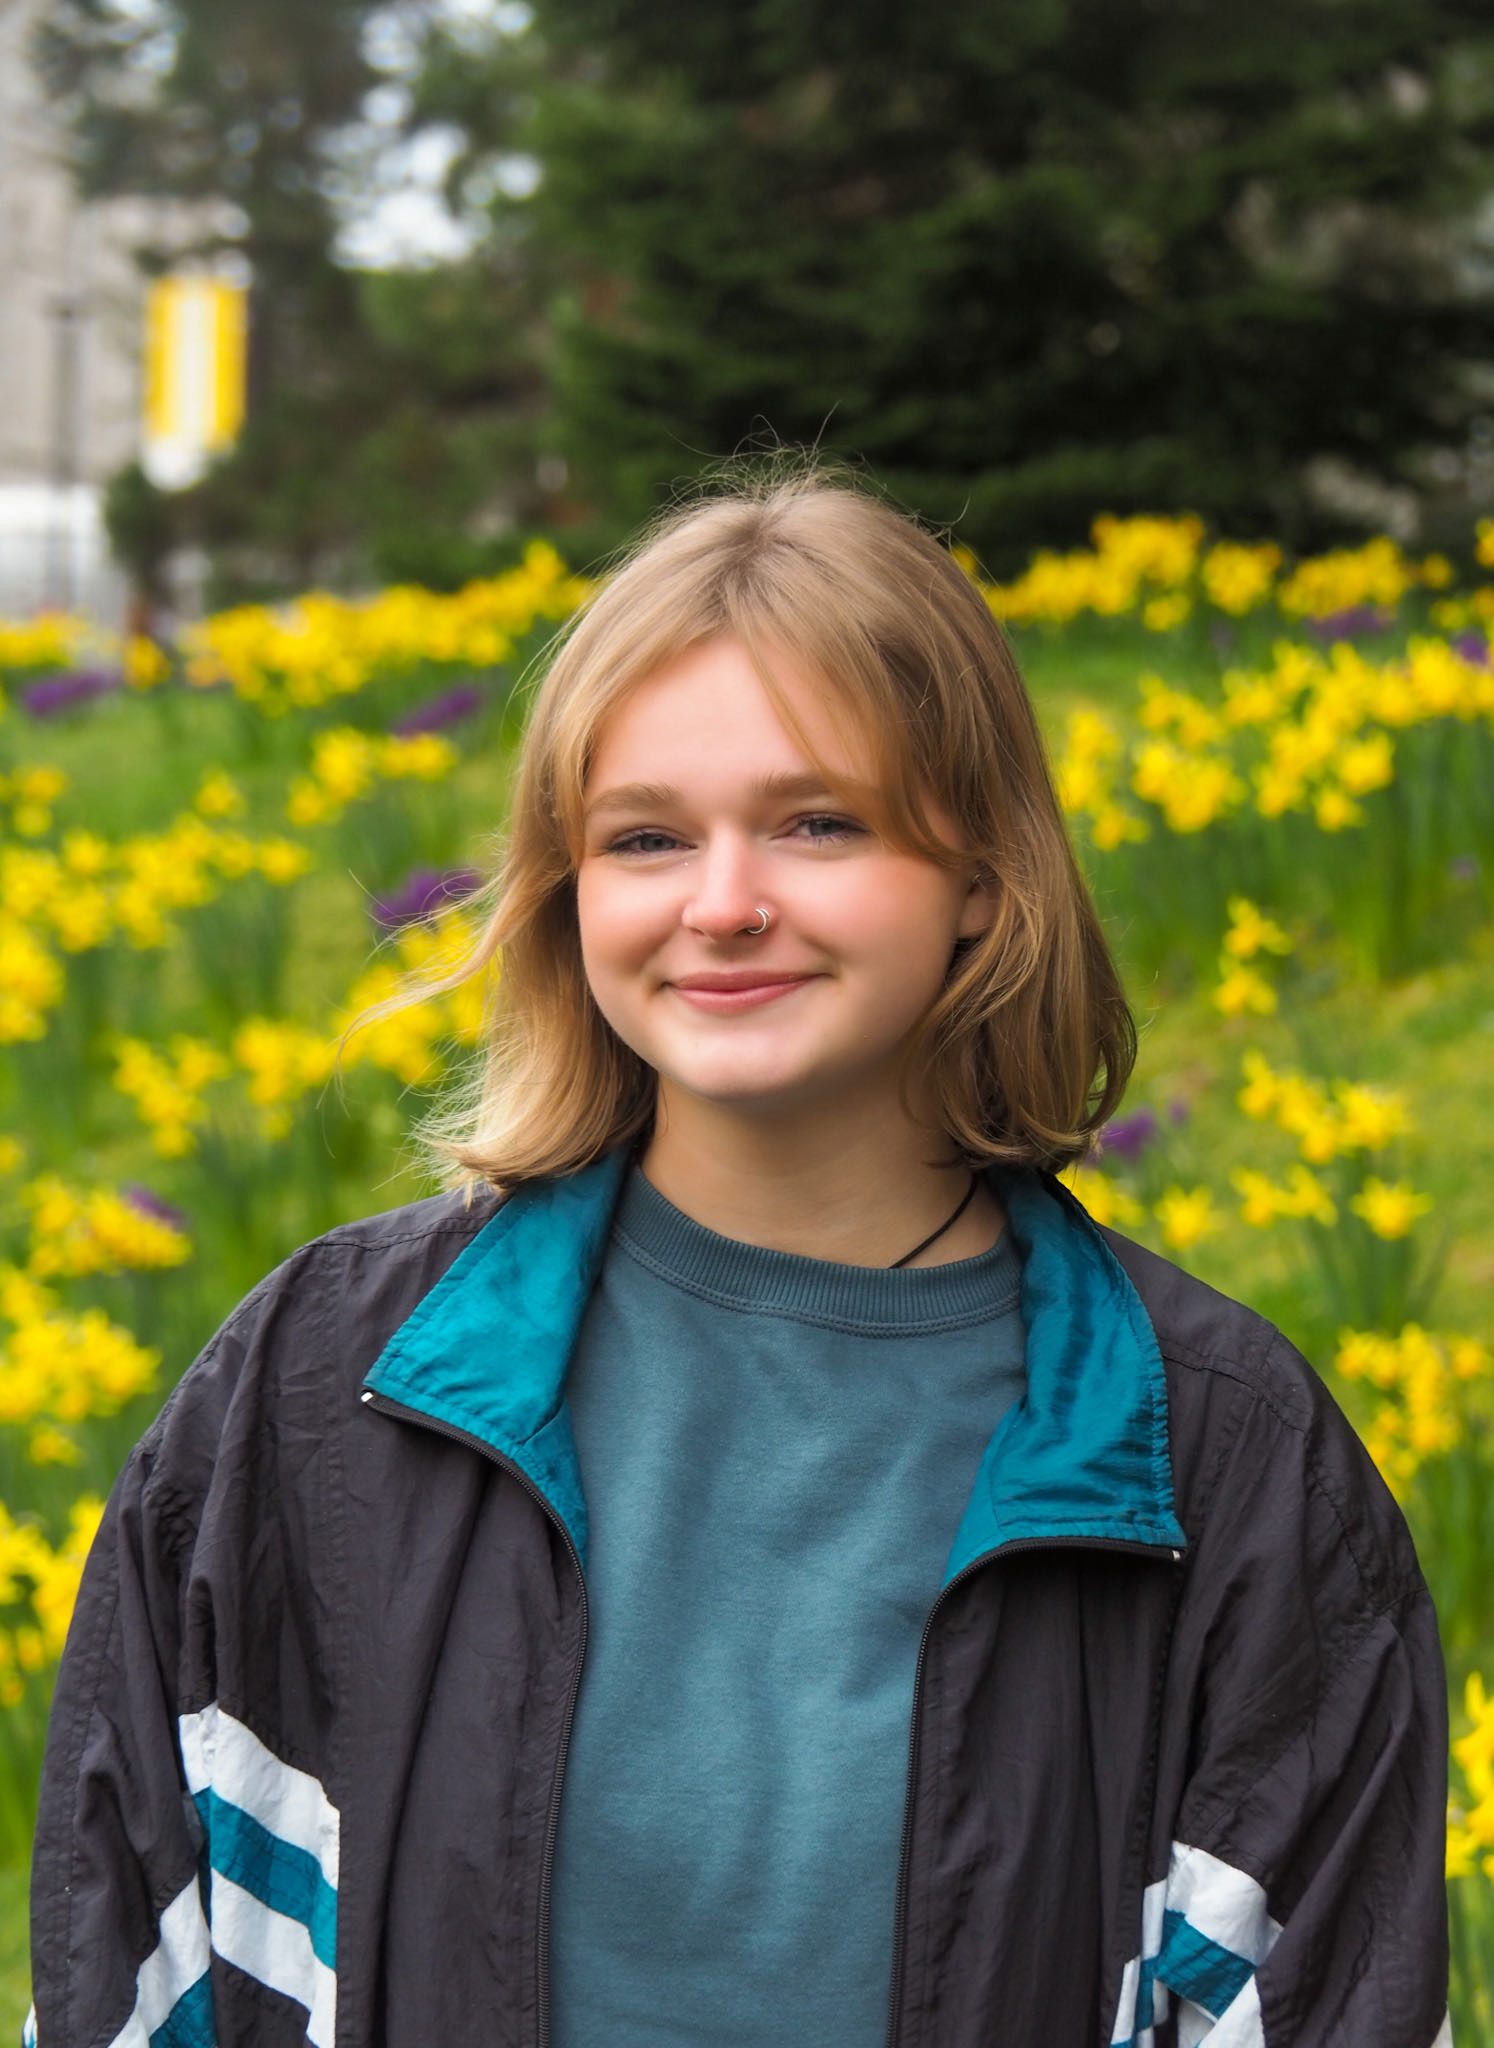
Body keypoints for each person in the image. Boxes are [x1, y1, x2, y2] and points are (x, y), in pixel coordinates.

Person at [29, 472, 1449, 2048]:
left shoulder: (1221, 1459)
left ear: (980, 879)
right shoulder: (319, 1390)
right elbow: (132, 1963)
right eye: (644, 838)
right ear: (570, 897)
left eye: (815, 823)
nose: (721, 905)